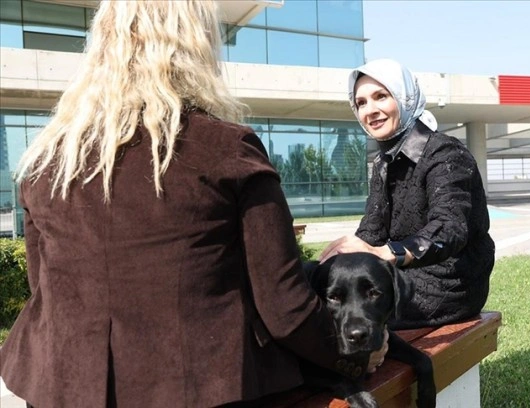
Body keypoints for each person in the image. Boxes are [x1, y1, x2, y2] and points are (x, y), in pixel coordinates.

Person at [0, 1, 385, 407]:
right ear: (196, 47)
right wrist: (354, 358)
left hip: (63, 390)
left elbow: (47, 292)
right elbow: (284, 307)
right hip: (199, 391)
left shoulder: (47, 162)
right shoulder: (225, 149)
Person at [319, 59, 496, 330]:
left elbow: (450, 229)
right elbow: (371, 233)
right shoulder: (383, 162)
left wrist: (389, 252)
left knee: (345, 316)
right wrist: (336, 259)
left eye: (381, 96)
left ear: (404, 97)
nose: (371, 110)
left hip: (452, 283)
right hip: (403, 275)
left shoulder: (446, 153)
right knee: (322, 296)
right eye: (361, 103)